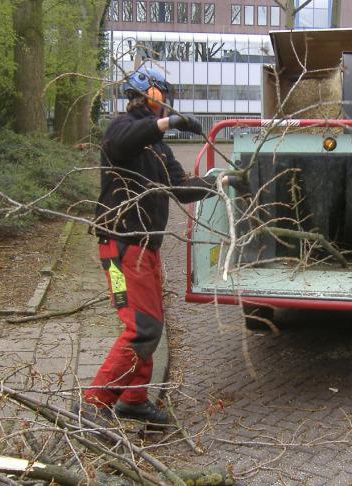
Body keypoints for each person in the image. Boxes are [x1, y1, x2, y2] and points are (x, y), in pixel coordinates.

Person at [75, 66, 222, 425]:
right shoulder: (121, 128)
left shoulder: (157, 148)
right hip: (120, 245)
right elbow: (124, 143)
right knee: (141, 328)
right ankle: (94, 403)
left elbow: (180, 186)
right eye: (164, 97)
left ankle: (134, 399)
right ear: (151, 94)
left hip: (146, 248)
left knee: (151, 323)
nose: (167, 105)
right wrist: (168, 123)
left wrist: (223, 183)